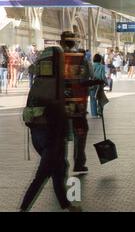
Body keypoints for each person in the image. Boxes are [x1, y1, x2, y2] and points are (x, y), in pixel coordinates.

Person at [20, 47, 81, 212]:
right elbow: (57, 111)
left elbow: (30, 111)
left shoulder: (39, 81)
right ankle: (23, 209)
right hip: (52, 137)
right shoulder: (54, 83)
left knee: (59, 168)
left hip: (38, 136)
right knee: (43, 175)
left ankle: (66, 206)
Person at [60, 32, 95, 173]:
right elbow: (89, 77)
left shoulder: (55, 58)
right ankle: (79, 163)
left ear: (61, 42)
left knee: (59, 135)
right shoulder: (82, 58)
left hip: (58, 104)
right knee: (80, 132)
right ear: (74, 43)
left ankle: (60, 163)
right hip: (78, 105)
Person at [90, 54, 108, 119]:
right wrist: (106, 83)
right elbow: (103, 76)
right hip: (100, 84)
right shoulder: (102, 66)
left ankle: (94, 114)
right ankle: (100, 112)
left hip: (92, 84)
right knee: (100, 98)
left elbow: (89, 75)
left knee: (93, 99)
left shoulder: (91, 66)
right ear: (100, 59)